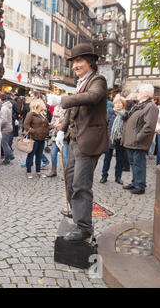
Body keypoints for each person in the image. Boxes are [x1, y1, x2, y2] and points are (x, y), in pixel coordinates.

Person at [48, 43, 108, 242]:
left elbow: (93, 97)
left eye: (79, 60)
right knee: (71, 180)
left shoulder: (97, 80)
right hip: (74, 139)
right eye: (73, 62)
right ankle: (77, 213)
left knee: (81, 185)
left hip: (89, 141)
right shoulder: (81, 83)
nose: (75, 65)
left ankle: (84, 228)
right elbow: (73, 111)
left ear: (90, 62)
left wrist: (61, 99)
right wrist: (62, 130)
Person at [121, 84, 159, 194]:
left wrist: (138, 137)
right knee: (133, 163)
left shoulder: (150, 106)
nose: (137, 93)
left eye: (139, 92)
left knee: (139, 164)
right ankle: (135, 182)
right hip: (132, 141)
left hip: (138, 142)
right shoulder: (139, 105)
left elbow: (149, 126)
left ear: (146, 94)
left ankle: (140, 185)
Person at [100, 95, 127, 185]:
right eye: (116, 103)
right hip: (110, 138)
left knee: (120, 160)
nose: (118, 105)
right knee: (107, 159)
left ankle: (118, 177)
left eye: (120, 103)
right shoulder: (110, 112)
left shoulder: (125, 114)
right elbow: (105, 124)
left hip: (120, 139)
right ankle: (104, 176)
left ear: (123, 105)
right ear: (113, 104)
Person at [24, 99, 49, 178]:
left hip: (42, 138)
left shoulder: (43, 114)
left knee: (39, 156)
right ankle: (29, 172)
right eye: (42, 103)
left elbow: (46, 125)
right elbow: (26, 126)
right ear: (37, 105)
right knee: (30, 155)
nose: (43, 104)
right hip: (34, 139)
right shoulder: (31, 114)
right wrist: (34, 131)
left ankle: (38, 172)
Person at [47, 101, 68, 177]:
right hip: (55, 134)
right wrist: (53, 125)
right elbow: (53, 119)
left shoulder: (69, 109)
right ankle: (53, 170)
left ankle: (66, 174)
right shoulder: (56, 107)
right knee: (53, 153)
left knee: (65, 156)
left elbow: (69, 121)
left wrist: (61, 125)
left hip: (64, 135)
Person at [0, 93, 14, 165]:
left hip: (5, 128)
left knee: (4, 144)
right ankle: (8, 158)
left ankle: (10, 157)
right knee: (5, 143)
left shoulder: (3, 107)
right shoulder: (6, 105)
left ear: (0, 98)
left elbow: (3, 120)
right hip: (8, 127)